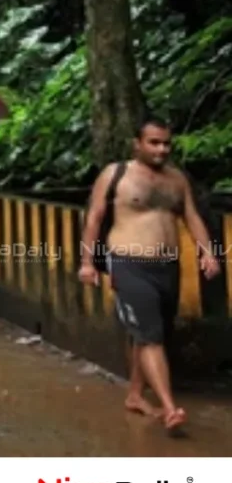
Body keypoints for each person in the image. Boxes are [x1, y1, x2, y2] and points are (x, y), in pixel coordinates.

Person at [79, 117, 219, 435]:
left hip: (168, 266)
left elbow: (192, 216)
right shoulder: (116, 175)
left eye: (166, 143)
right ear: (137, 144)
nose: (161, 149)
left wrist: (207, 251)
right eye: (154, 143)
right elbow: (94, 217)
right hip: (128, 264)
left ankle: (134, 395)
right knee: (151, 335)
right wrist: (87, 262)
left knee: (150, 332)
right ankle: (170, 409)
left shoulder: (176, 179)